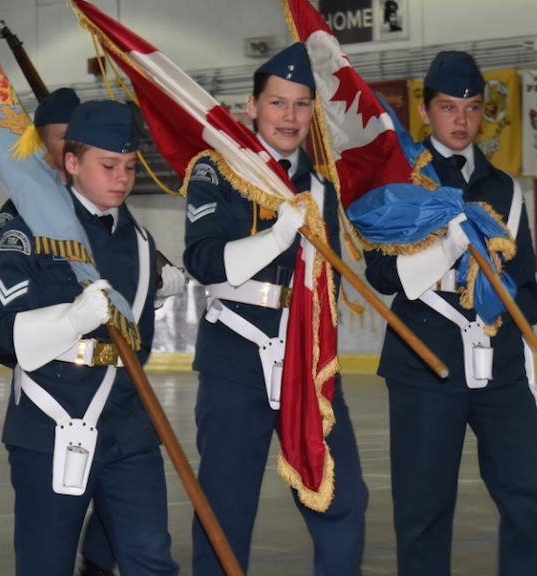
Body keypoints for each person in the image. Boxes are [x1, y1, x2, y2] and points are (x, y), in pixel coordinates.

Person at [364, 51, 537, 576]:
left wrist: (524, 365)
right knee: (423, 513)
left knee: (530, 494)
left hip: (501, 367)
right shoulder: (401, 181)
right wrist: (443, 249)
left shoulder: (504, 190)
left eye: (472, 107)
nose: (462, 120)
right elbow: (378, 273)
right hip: (425, 363)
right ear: (424, 112)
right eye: (449, 107)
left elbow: (527, 293)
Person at [182, 43, 368, 576]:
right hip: (235, 364)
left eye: (302, 105)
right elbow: (204, 260)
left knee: (342, 498)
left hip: (308, 365)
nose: (290, 117)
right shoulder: (216, 171)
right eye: (278, 103)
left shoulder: (320, 186)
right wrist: (278, 231)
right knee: (226, 510)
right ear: (252, 106)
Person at [0, 100, 179, 576]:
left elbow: (140, 342)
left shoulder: (139, 241)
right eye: (108, 165)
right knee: (45, 564)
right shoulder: (32, 223)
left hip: (128, 423)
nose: (122, 178)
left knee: (151, 559)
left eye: (131, 167)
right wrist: (69, 322)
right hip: (52, 422)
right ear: (71, 163)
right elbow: (2, 330)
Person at [0, 87, 79, 235]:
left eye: (79, 137)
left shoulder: (97, 200)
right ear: (42, 146)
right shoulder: (19, 208)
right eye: (64, 138)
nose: (75, 145)